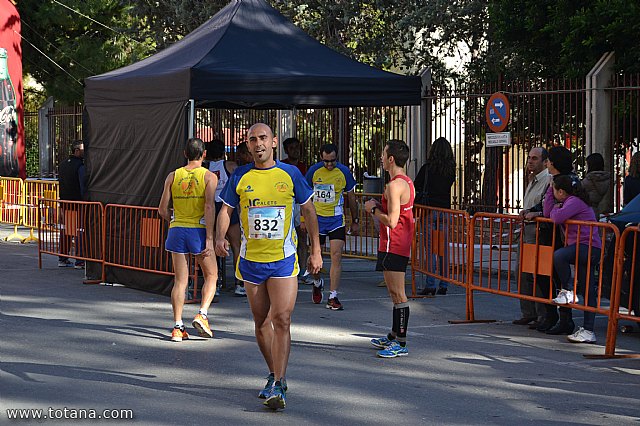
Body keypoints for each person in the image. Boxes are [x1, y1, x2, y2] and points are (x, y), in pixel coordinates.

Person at [215, 123, 322, 411]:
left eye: (263, 138)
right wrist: (218, 238)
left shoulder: (290, 174)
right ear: (248, 146)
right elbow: (225, 210)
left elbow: (309, 210)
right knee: (261, 322)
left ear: (273, 142)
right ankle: (274, 373)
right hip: (251, 263)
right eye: (253, 139)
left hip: (283, 261)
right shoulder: (240, 175)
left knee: (282, 319)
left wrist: (315, 250)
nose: (258, 143)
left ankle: (280, 383)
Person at [158, 137, 218, 343]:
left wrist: (175, 218)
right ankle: (202, 314)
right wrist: (210, 238)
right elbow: (209, 206)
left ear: (185, 154)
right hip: (198, 230)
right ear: (204, 154)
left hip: (177, 230)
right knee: (211, 275)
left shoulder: (173, 176)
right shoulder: (209, 176)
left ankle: (177, 327)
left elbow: (162, 210)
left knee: (180, 281)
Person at [365, 140, 415, 358]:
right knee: (394, 293)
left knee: (398, 294)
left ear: (391, 159)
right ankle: (394, 335)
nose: (381, 158)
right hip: (393, 243)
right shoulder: (405, 182)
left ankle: (401, 343)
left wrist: (373, 209)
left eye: (384, 154)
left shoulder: (394, 186)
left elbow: (393, 221)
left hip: (395, 243)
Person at [545, 174, 602, 343]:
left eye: (554, 190)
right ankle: (588, 330)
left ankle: (569, 290)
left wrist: (555, 206)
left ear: (561, 191)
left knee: (559, 256)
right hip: (584, 246)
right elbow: (549, 212)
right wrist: (550, 192)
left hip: (587, 246)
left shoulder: (574, 201)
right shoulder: (568, 201)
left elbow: (555, 218)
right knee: (587, 289)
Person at [305, 143, 359, 310]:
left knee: (336, 256)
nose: (329, 165)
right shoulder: (313, 171)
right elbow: (304, 197)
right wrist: (302, 219)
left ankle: (333, 296)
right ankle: (317, 281)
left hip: (336, 221)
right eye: (326, 161)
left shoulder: (343, 172)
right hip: (317, 221)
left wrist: (355, 220)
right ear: (321, 158)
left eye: (332, 161)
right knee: (315, 259)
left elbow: (351, 197)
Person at [539, 145, 579, 335]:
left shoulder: (564, 182)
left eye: (547, 160)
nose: (545, 163)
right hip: (552, 232)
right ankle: (550, 314)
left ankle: (565, 318)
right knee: (544, 275)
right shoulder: (559, 179)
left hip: (561, 235)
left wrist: (550, 187)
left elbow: (549, 211)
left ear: (553, 162)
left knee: (560, 278)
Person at [513, 147, 550, 327]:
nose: (530, 161)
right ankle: (528, 312)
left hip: (537, 231)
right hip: (525, 229)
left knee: (535, 272)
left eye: (534, 158)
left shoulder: (547, 181)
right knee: (521, 271)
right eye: (529, 158)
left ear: (545, 162)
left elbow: (546, 207)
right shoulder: (532, 179)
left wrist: (534, 214)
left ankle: (541, 314)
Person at [414, 137, 456, 296]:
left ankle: (430, 284)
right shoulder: (451, 169)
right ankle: (443, 283)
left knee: (430, 249)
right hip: (445, 212)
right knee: (443, 250)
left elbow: (417, 185)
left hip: (429, 210)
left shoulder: (427, 168)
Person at [208, 139, 244, 297]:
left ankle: (215, 283)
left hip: (212, 208)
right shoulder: (231, 166)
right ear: (223, 151)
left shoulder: (204, 168)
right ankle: (239, 283)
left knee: (214, 246)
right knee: (236, 245)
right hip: (228, 207)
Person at [282, 137, 309, 284]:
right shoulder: (281, 166)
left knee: (302, 237)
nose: (296, 150)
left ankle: (303, 270)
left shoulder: (304, 167)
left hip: (300, 204)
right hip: (286, 203)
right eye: (292, 148)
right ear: (286, 150)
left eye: (297, 147)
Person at [57, 139, 86, 269]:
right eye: (83, 150)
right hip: (77, 202)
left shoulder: (62, 165)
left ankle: (62, 258)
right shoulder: (80, 166)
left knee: (66, 230)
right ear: (77, 150)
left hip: (65, 202)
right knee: (79, 230)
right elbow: (82, 185)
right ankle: (79, 261)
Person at [581, 153, 611, 217]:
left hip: (584, 211)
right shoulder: (604, 179)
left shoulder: (590, 179)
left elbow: (578, 190)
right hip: (595, 210)